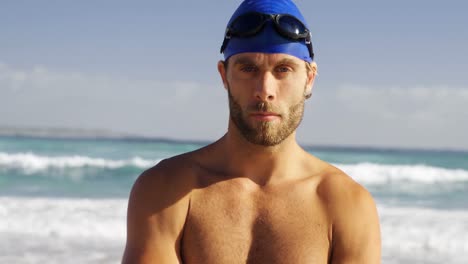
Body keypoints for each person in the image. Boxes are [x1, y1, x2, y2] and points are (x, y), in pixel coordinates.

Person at [122, 0, 381, 263]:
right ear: (224, 76)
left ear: (309, 78)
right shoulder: (165, 191)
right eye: (248, 69)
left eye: (283, 69)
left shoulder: (346, 204)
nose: (264, 89)